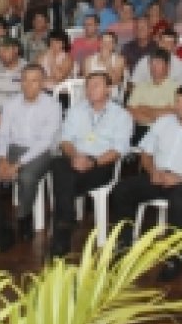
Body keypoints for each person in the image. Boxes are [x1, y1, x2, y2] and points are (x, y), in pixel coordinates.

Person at [109, 83, 182, 279]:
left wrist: (180, 178)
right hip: (159, 175)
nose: (180, 105)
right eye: (177, 101)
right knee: (121, 190)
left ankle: (174, 257)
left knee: (178, 202)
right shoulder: (163, 122)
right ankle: (124, 245)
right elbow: (146, 153)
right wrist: (152, 170)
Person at [0, 64, 62, 246]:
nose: (28, 85)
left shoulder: (53, 106)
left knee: (26, 177)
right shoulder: (12, 103)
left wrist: (16, 165)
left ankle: (24, 217)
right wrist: (1, 159)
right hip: (11, 149)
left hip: (40, 152)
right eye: (24, 80)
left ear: (42, 84)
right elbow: (3, 134)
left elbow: (44, 142)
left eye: (34, 81)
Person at [48, 72, 133, 257]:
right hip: (75, 159)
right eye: (88, 86)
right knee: (58, 164)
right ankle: (65, 224)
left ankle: (62, 233)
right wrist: (75, 156)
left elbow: (119, 150)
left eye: (96, 85)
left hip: (101, 164)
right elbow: (65, 141)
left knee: (64, 182)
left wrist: (92, 162)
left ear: (109, 90)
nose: (90, 89)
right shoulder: (76, 110)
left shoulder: (121, 116)